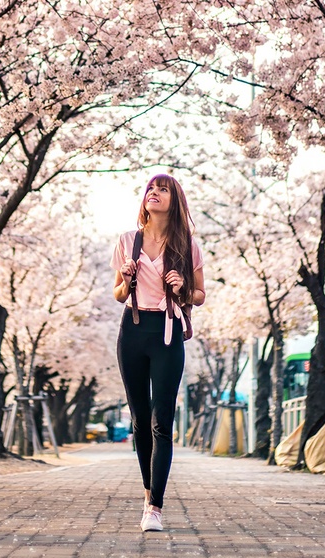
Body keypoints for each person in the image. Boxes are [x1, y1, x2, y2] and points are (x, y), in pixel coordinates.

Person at [110, 174, 205, 532]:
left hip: (167, 333)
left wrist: (183, 287)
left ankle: (155, 507)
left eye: (162, 189)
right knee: (139, 421)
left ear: (174, 200)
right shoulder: (126, 240)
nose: (154, 193)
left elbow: (200, 294)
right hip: (132, 331)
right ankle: (148, 490)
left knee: (161, 421)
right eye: (151, 189)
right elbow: (118, 294)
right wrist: (125, 276)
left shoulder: (186, 245)